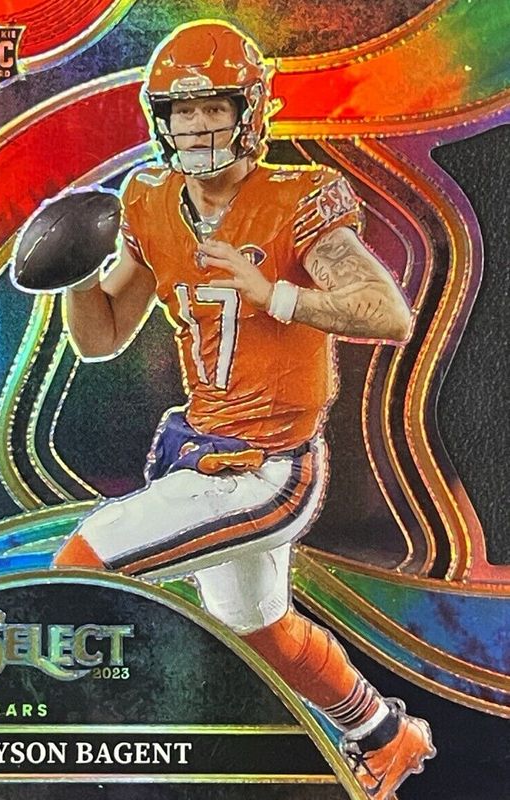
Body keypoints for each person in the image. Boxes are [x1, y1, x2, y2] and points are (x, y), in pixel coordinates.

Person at [53, 20, 435, 798]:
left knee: (78, 576)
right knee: (262, 631)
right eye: (181, 111)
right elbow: (101, 337)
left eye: (214, 108)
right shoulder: (149, 200)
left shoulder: (297, 198)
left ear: (250, 111)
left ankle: (94, 763)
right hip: (205, 450)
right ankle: (387, 736)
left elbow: (387, 312)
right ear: (161, 119)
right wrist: (75, 273)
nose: (197, 127)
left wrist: (275, 295)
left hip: (269, 469)